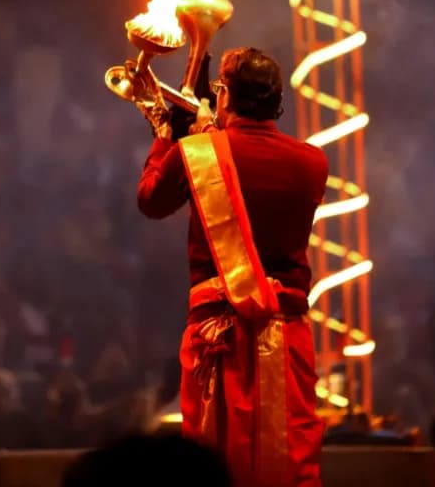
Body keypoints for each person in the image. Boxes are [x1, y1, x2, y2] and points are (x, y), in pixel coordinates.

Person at [133, 46, 327, 487]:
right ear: (277, 101)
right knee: (289, 457)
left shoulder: (199, 153)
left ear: (224, 97)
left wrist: (169, 132)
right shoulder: (313, 161)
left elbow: (150, 200)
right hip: (287, 329)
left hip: (216, 333)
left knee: (213, 456)